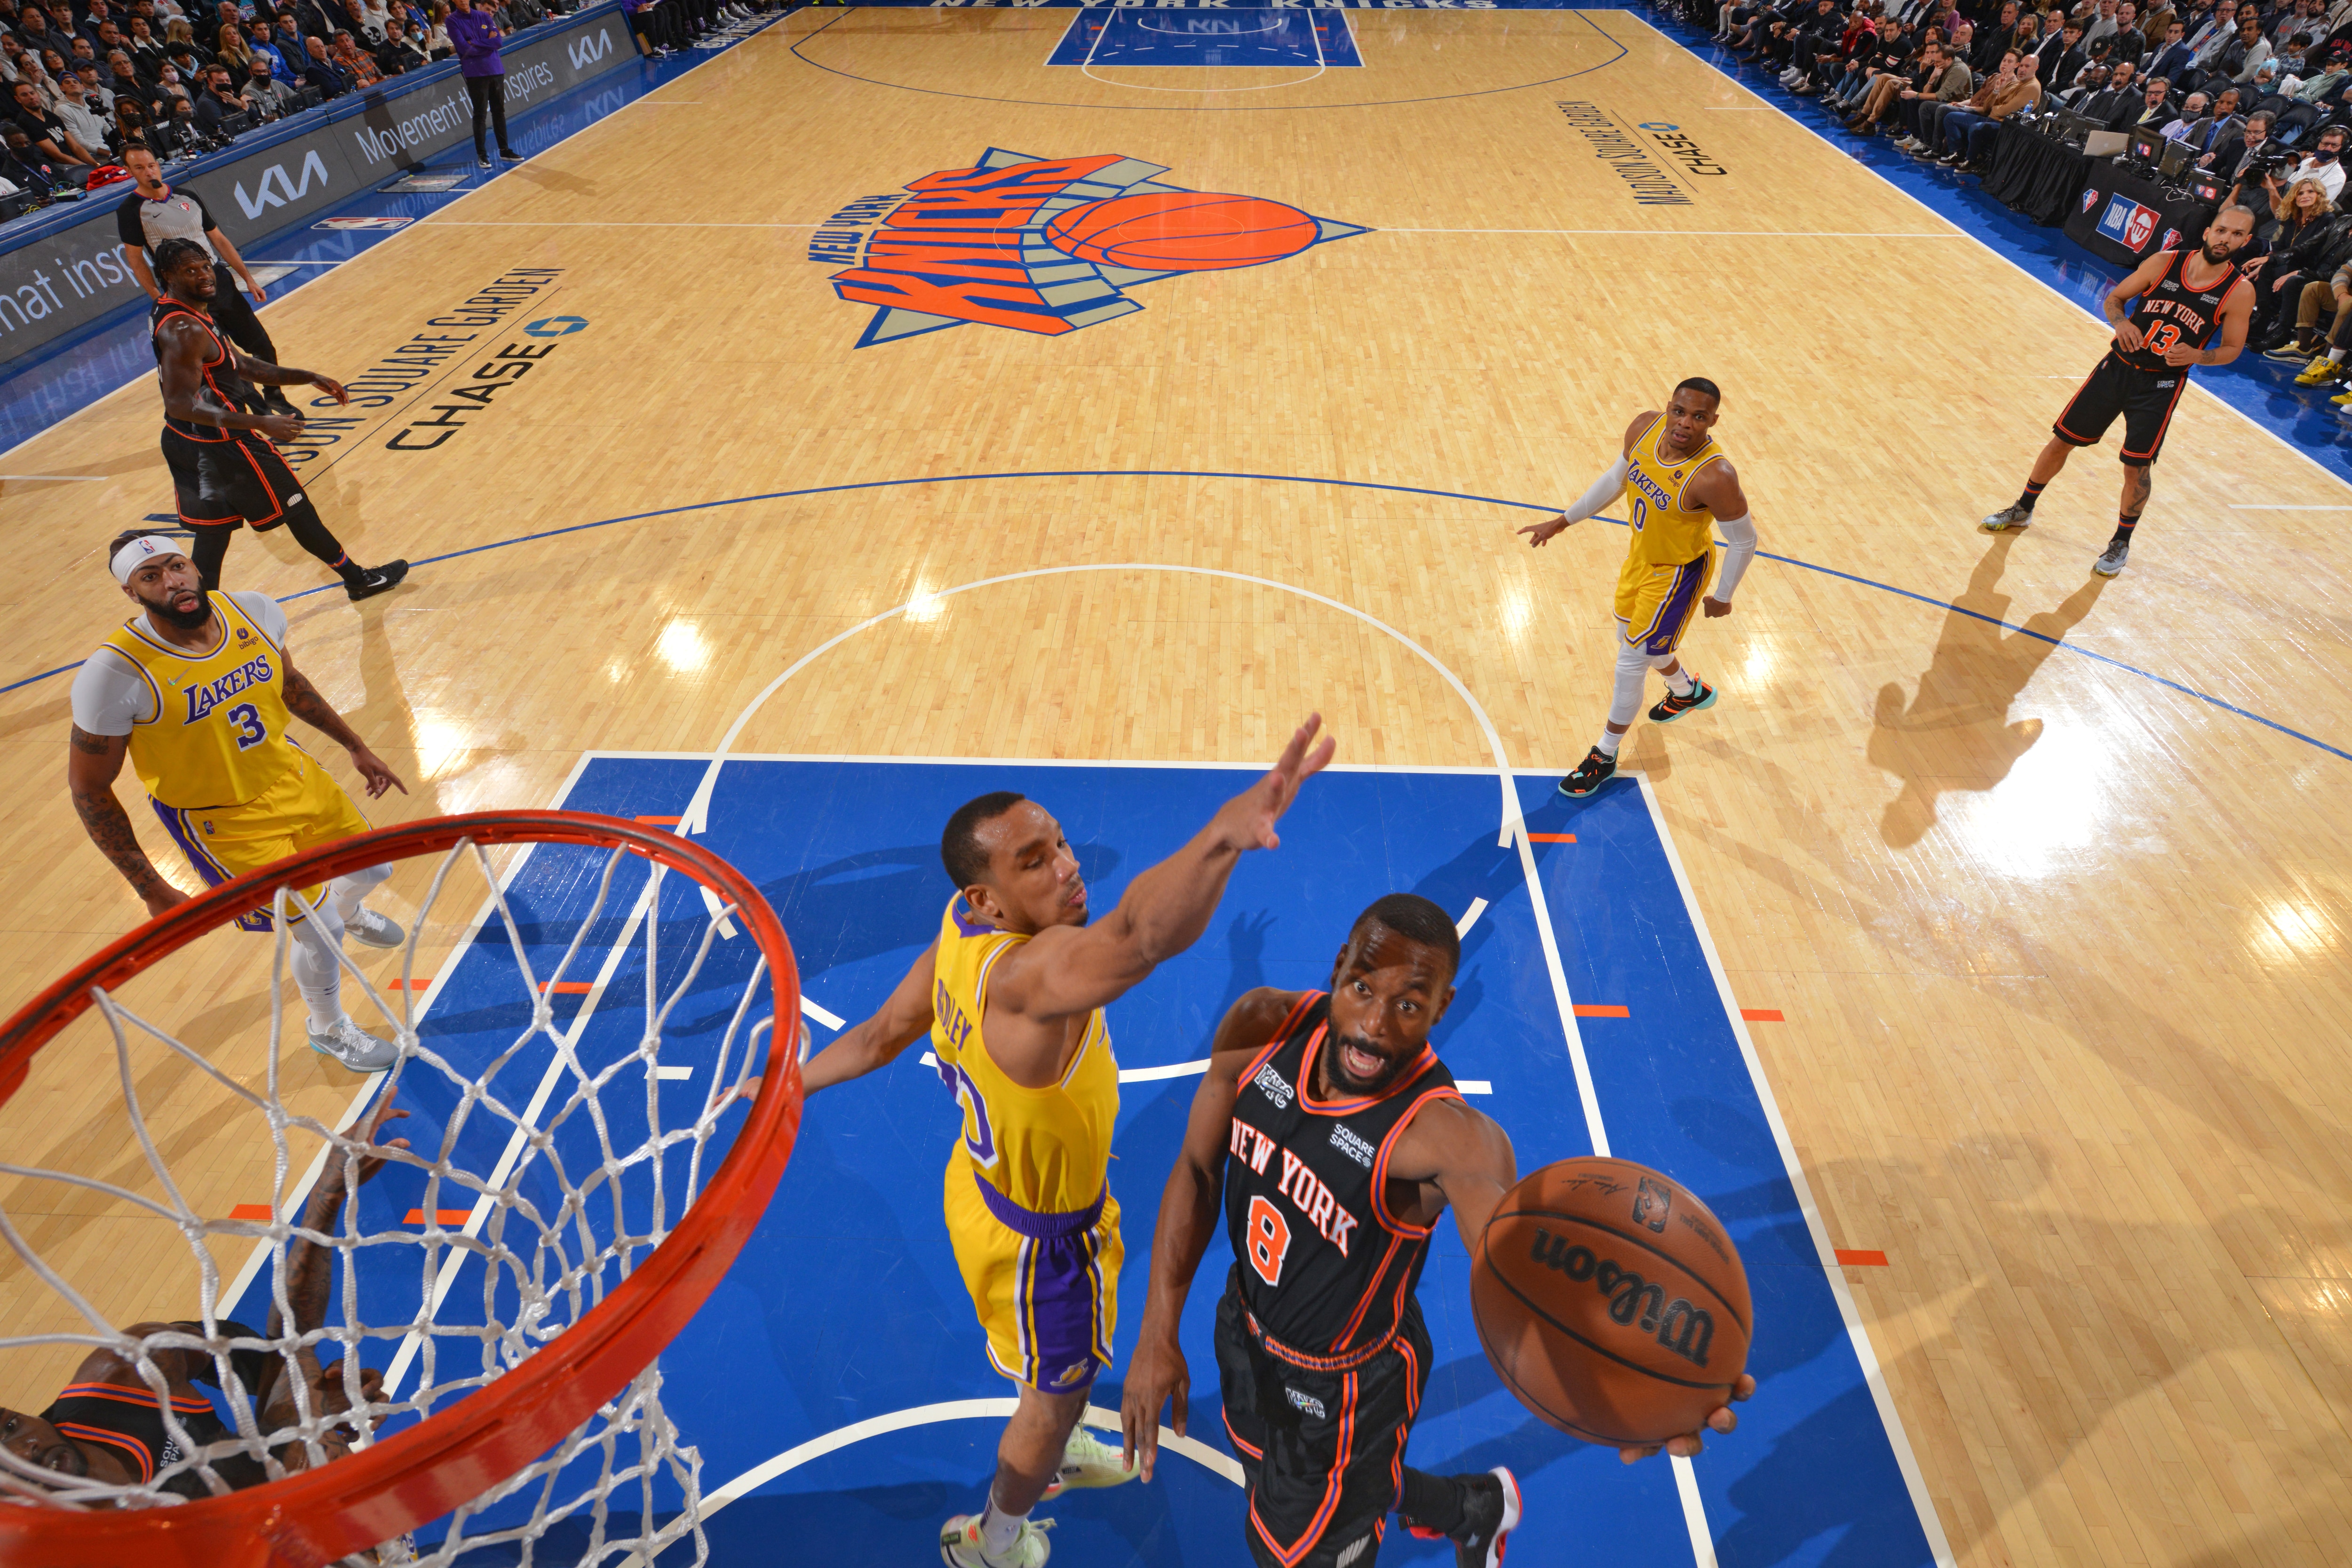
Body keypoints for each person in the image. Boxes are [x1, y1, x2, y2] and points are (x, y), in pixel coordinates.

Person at [798, 718, 1336, 1568]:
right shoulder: (1025, 981)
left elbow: (878, 1033)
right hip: (1044, 1251)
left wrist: (787, 1083)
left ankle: (1047, 1418)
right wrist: (1223, 835)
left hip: (981, 1190)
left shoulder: (958, 928)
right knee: (1057, 1392)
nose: (1068, 864)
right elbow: (1138, 939)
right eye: (1035, 862)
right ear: (989, 897)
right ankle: (994, 1536)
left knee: (1047, 1376)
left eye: (1059, 842)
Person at [1116, 895, 1758, 1568]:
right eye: (1363, 988)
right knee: (1270, 1473)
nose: (1373, 1026)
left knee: (1292, 1551)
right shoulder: (1262, 1026)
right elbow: (1196, 1169)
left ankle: (1429, 1509)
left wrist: (1647, 1384)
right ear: (1338, 968)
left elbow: (1520, 1268)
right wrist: (1158, 1332)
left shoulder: (1448, 1140)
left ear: (1443, 1007)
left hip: (1347, 1393)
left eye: (1409, 1005)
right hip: (1243, 1329)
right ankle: (1474, 1509)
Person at [67, 528, 410, 1070]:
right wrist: (151, 888)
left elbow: (290, 684)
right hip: (224, 822)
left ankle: (343, 908)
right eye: (149, 577)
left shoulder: (254, 612)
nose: (171, 581)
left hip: (293, 775)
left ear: (195, 568)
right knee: (320, 938)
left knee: (374, 873)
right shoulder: (113, 675)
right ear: (132, 594)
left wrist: (356, 745)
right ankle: (328, 1028)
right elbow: (89, 788)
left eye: (176, 566)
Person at [0, 1096, 410, 1495]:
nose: (24, 1450)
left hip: (273, 1507)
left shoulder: (129, 1375)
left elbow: (281, 1346)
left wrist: (326, 1196)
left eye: (10, 1427)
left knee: (311, 1438)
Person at [1518, 379, 1760, 798]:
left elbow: (1744, 540)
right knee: (1638, 641)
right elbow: (1615, 479)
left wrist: (1724, 594)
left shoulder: (1715, 476)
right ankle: (1687, 691)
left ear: (1713, 421)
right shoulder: (1645, 428)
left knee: (1631, 661)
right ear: (1669, 406)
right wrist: (1561, 522)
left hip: (1678, 575)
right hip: (1641, 560)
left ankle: (1604, 754)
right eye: (1680, 411)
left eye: (1699, 417)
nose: (1685, 423)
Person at [1981, 207, 2255, 575]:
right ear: (2207, 232)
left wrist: (2199, 355)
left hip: (2161, 385)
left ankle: (2120, 542)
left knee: (2136, 467)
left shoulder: (2239, 291)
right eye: (2222, 230)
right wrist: (2122, 323)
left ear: (2247, 241)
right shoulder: (2164, 262)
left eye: (2237, 235)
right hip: (2117, 370)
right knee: (2062, 440)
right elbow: (2114, 299)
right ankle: (2023, 507)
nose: (2227, 239)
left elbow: (2233, 348)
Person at [142, 237, 410, 605]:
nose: (204, 275)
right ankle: (358, 579)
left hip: (185, 442)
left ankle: (197, 617)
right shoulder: (186, 330)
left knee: (213, 534)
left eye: (205, 266)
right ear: (167, 276)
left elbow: (243, 365)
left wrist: (305, 376)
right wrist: (260, 425)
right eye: (190, 270)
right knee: (298, 508)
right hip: (225, 445)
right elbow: (179, 404)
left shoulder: (179, 309)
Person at [115, 143, 294, 411]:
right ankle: (260, 412)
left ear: (158, 165)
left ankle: (275, 396)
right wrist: (159, 298)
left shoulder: (187, 196)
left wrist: (248, 278)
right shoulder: (130, 210)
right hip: (185, 294)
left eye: (151, 165)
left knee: (262, 344)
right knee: (226, 358)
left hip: (219, 281)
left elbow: (219, 239)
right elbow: (135, 260)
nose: (148, 171)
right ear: (129, 171)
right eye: (139, 168)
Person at [445, 0, 516, 167]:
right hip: (475, 73)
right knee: (480, 114)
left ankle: (505, 150)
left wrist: (475, 42)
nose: (463, 1)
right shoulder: (452, 20)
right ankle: (482, 155)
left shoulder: (484, 16)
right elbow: (464, 49)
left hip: (496, 69)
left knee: (499, 111)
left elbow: (498, 42)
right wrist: (486, 43)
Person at [10, 76, 96, 163]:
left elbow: (76, 147)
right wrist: (87, 168)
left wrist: (96, 165)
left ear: (37, 94)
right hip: (58, 166)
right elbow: (58, 156)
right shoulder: (26, 121)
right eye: (24, 95)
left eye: (32, 93)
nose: (31, 97)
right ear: (18, 99)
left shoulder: (50, 115)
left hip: (74, 159)